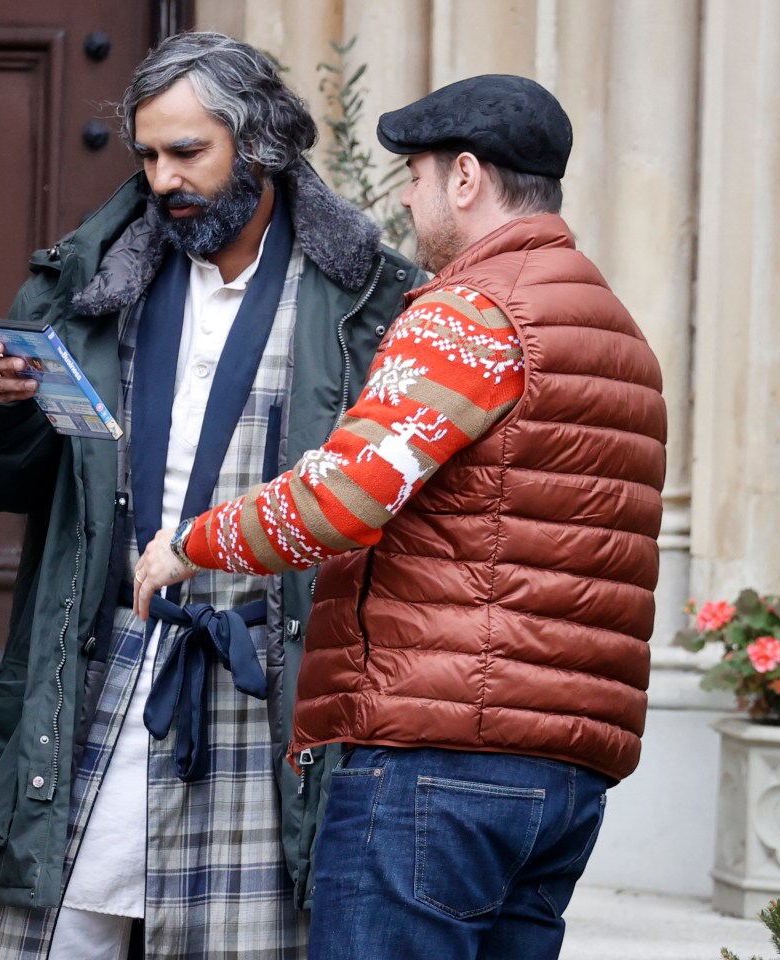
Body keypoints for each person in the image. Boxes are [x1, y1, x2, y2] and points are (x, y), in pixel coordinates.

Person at [134, 74, 667, 960]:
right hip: (565, 774)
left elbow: (340, 499)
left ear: (465, 177)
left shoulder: (473, 311)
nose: (407, 202)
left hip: (440, 761)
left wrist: (185, 547)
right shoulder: (614, 331)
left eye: (413, 177)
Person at [0, 31, 423, 960]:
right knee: (65, 937)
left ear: (263, 145)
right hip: (98, 669)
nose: (164, 179)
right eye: (149, 156)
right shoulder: (92, 283)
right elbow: (7, 479)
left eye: (188, 152)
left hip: (262, 688)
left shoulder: (364, 298)